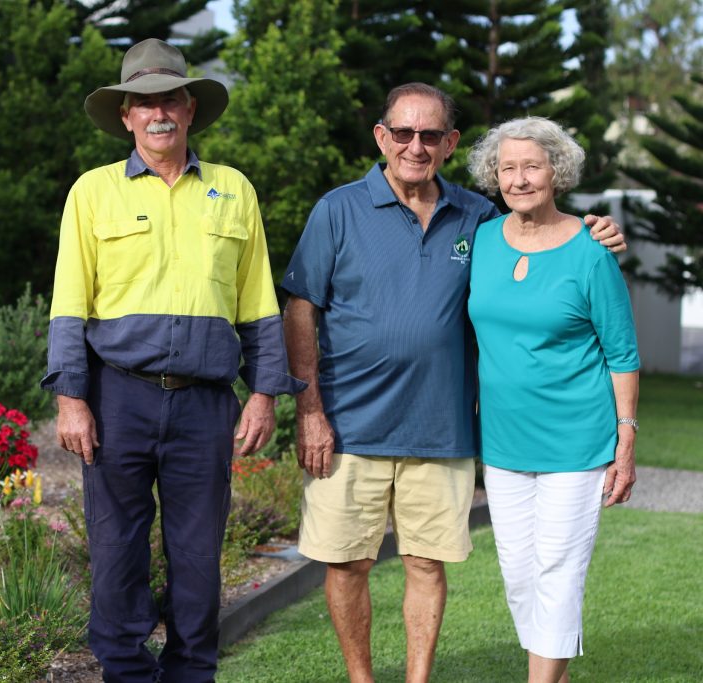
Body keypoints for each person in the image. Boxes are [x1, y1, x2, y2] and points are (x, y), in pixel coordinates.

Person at [281, 83, 626, 683]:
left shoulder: (480, 219)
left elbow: (542, 242)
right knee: (347, 565)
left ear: (450, 144)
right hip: (348, 426)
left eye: (431, 135)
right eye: (404, 133)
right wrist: (309, 410)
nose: (416, 146)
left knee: (425, 564)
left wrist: (600, 232)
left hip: (443, 427)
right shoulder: (337, 209)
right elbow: (300, 310)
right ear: (382, 137)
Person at [41, 38, 304, 683]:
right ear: (126, 116)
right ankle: (127, 673)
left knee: (197, 556)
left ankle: (191, 674)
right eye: (143, 103)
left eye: (170, 100)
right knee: (115, 551)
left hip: (204, 404)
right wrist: (71, 398)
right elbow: (69, 304)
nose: (158, 113)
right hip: (115, 398)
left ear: (190, 109)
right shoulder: (92, 193)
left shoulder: (233, 190)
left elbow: (257, 301)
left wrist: (265, 392)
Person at [466, 117, 639, 683]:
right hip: (503, 440)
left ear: (556, 172)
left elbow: (622, 352)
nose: (519, 179)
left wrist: (627, 435)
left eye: (531, 166)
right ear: (494, 175)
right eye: (507, 167)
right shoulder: (483, 239)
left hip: (577, 440)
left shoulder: (591, 249)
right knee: (519, 574)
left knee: (558, 569)